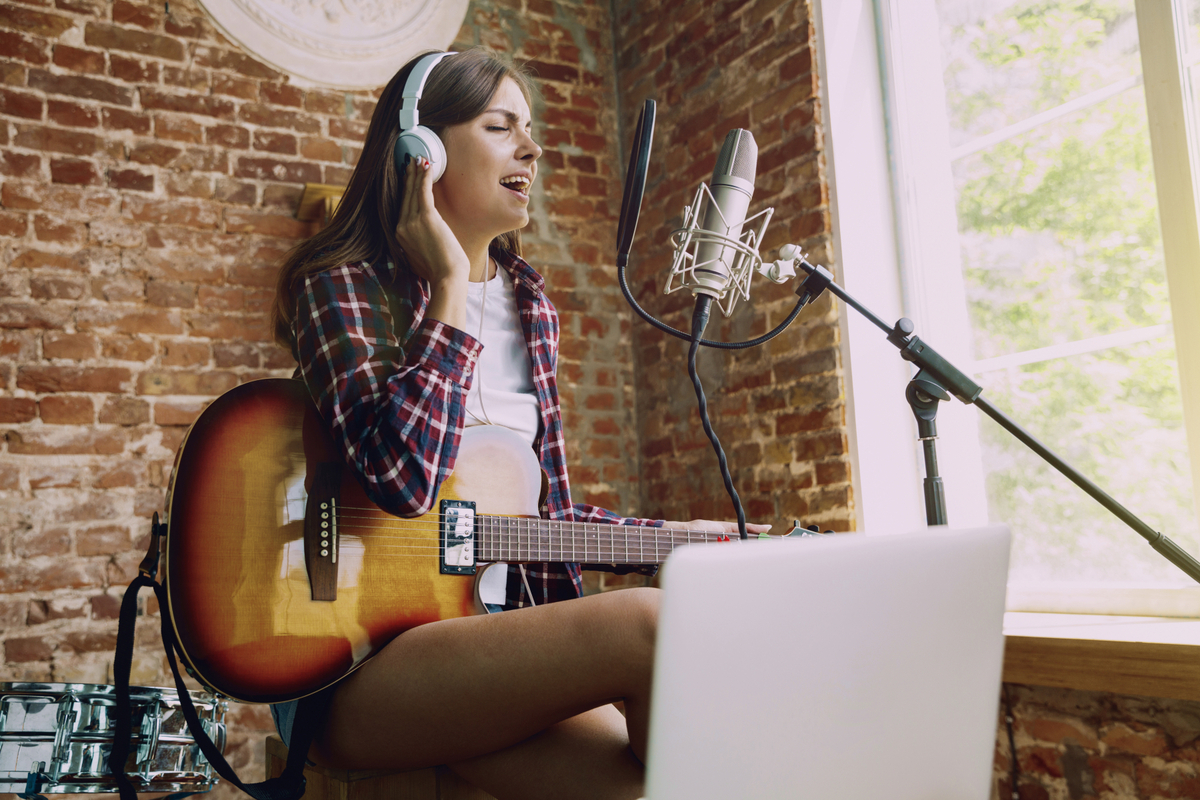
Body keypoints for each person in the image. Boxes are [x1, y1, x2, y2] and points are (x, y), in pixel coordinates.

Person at [268, 48, 768, 800]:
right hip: (351, 659)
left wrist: (686, 540)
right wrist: (447, 288)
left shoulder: (530, 301)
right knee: (651, 626)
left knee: (669, 788)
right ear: (420, 154)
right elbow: (403, 482)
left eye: (528, 130)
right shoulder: (339, 283)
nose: (532, 149)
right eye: (501, 127)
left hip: (495, 638)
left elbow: (542, 517)